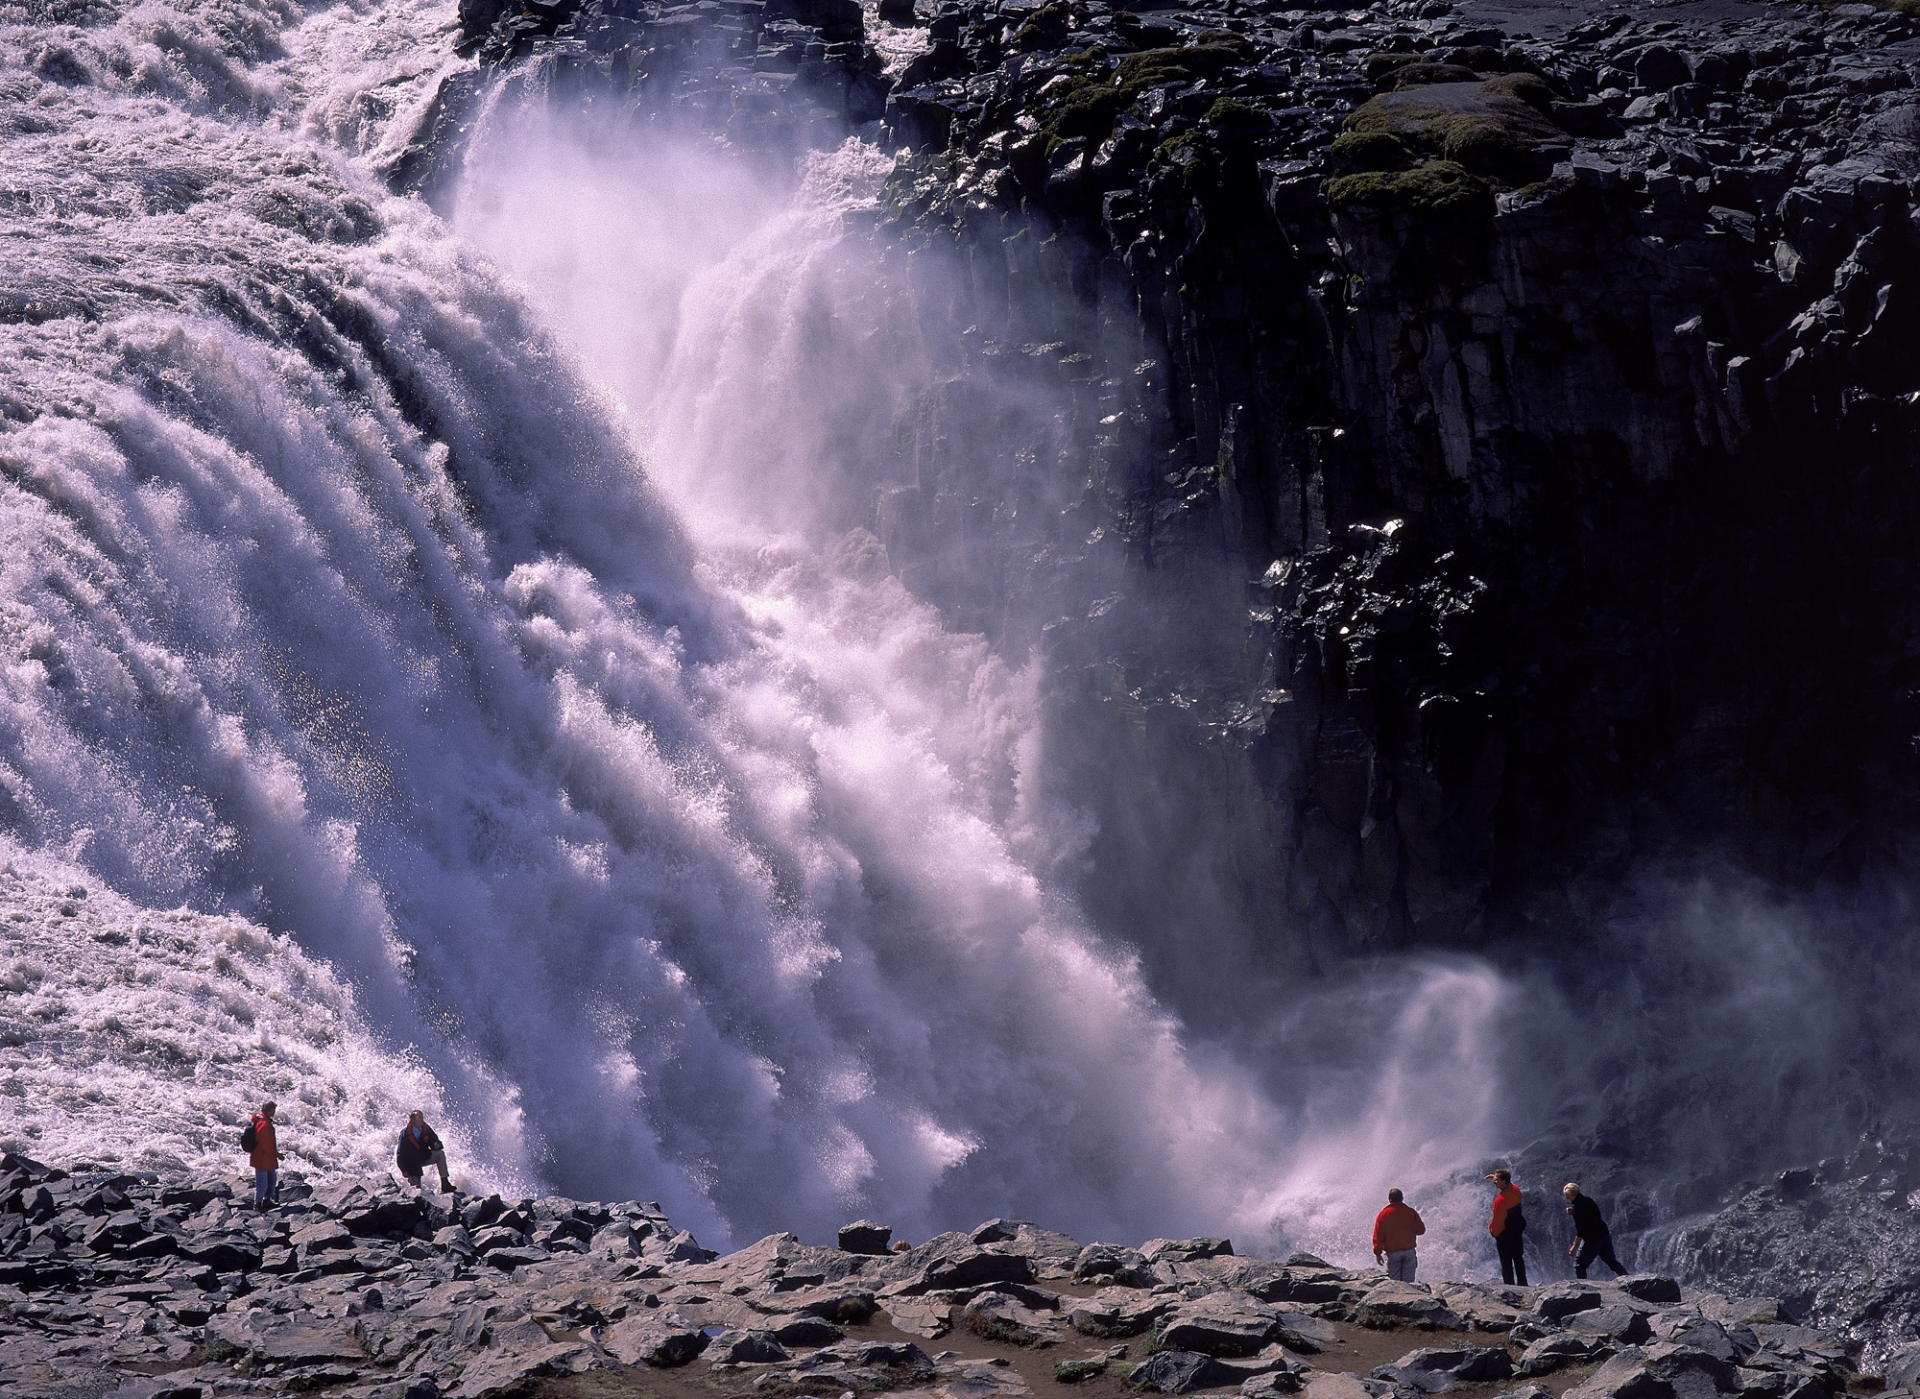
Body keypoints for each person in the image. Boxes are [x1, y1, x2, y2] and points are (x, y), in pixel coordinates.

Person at [1563, 1183, 1627, 1278]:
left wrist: (1574, 1247)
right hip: (1604, 1235)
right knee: (1611, 1261)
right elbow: (1589, 1214)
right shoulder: (1588, 1200)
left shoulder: (1577, 1210)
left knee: (1579, 1265)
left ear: (1572, 1195)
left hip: (1592, 1240)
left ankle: (1583, 1290)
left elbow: (1581, 1231)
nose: (1566, 1198)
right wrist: (1574, 1212)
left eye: (1567, 1196)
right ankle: (1629, 1280)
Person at [1371, 1187, 1426, 1282]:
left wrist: (1378, 1253)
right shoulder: (1410, 1212)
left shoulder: (1383, 1214)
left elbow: (1378, 1235)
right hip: (1409, 1252)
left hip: (1393, 1253)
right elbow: (1421, 1230)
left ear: (1389, 1199)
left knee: (1394, 1282)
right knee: (1409, 1282)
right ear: (1402, 1198)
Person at [396, 1110, 456, 1191]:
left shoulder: (426, 1129)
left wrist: (437, 1144)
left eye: (422, 1117)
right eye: (419, 1117)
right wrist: (403, 1170)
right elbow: (400, 1153)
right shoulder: (405, 1133)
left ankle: (445, 1183)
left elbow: (436, 1141)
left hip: (424, 1156)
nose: (421, 1119)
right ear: (412, 1120)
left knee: (440, 1154)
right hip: (412, 1163)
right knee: (416, 1190)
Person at [1486, 1168, 1527, 1285]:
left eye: (1496, 1180)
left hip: (1505, 1234)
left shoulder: (1501, 1200)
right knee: (1518, 1258)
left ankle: (1510, 1286)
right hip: (1517, 1229)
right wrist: (1495, 1176)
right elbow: (1510, 1184)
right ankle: (1523, 1284)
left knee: (1506, 1262)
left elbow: (1497, 1219)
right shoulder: (1516, 1191)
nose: (1494, 1182)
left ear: (1504, 1181)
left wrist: (1492, 1231)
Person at [248, 1101, 279, 1210]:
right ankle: (257, 1204)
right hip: (262, 1157)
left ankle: (267, 1200)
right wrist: (277, 1154)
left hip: (266, 1157)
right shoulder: (264, 1124)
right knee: (262, 1182)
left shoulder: (263, 1120)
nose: (274, 1112)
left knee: (272, 1178)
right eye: (273, 1109)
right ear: (270, 1110)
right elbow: (266, 1144)